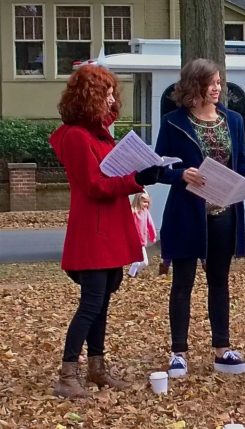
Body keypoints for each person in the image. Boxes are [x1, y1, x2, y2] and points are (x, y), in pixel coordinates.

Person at [49, 64, 163, 398]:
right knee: (91, 303)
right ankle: (67, 374)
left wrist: (139, 173)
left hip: (108, 227)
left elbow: (107, 171)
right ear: (89, 97)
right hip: (93, 232)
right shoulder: (76, 136)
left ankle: (97, 367)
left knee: (102, 302)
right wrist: (138, 178)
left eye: (112, 92)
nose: (112, 99)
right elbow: (95, 185)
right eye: (106, 93)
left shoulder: (96, 133)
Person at [154, 58, 245, 378]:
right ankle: (179, 353)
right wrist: (181, 175)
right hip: (187, 214)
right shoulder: (173, 122)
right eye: (212, 82)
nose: (218, 88)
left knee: (219, 281)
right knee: (183, 283)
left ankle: (222, 349)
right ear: (195, 86)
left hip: (223, 213)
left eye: (220, 82)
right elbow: (157, 170)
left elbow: (240, 165)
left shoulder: (233, 120)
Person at [128, 191, 156, 277]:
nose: (146, 204)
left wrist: (153, 236)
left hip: (142, 242)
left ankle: (134, 273)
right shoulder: (133, 212)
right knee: (136, 262)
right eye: (144, 202)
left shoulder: (146, 212)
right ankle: (131, 276)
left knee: (145, 262)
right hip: (133, 241)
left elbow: (150, 224)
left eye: (147, 202)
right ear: (138, 201)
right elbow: (127, 224)